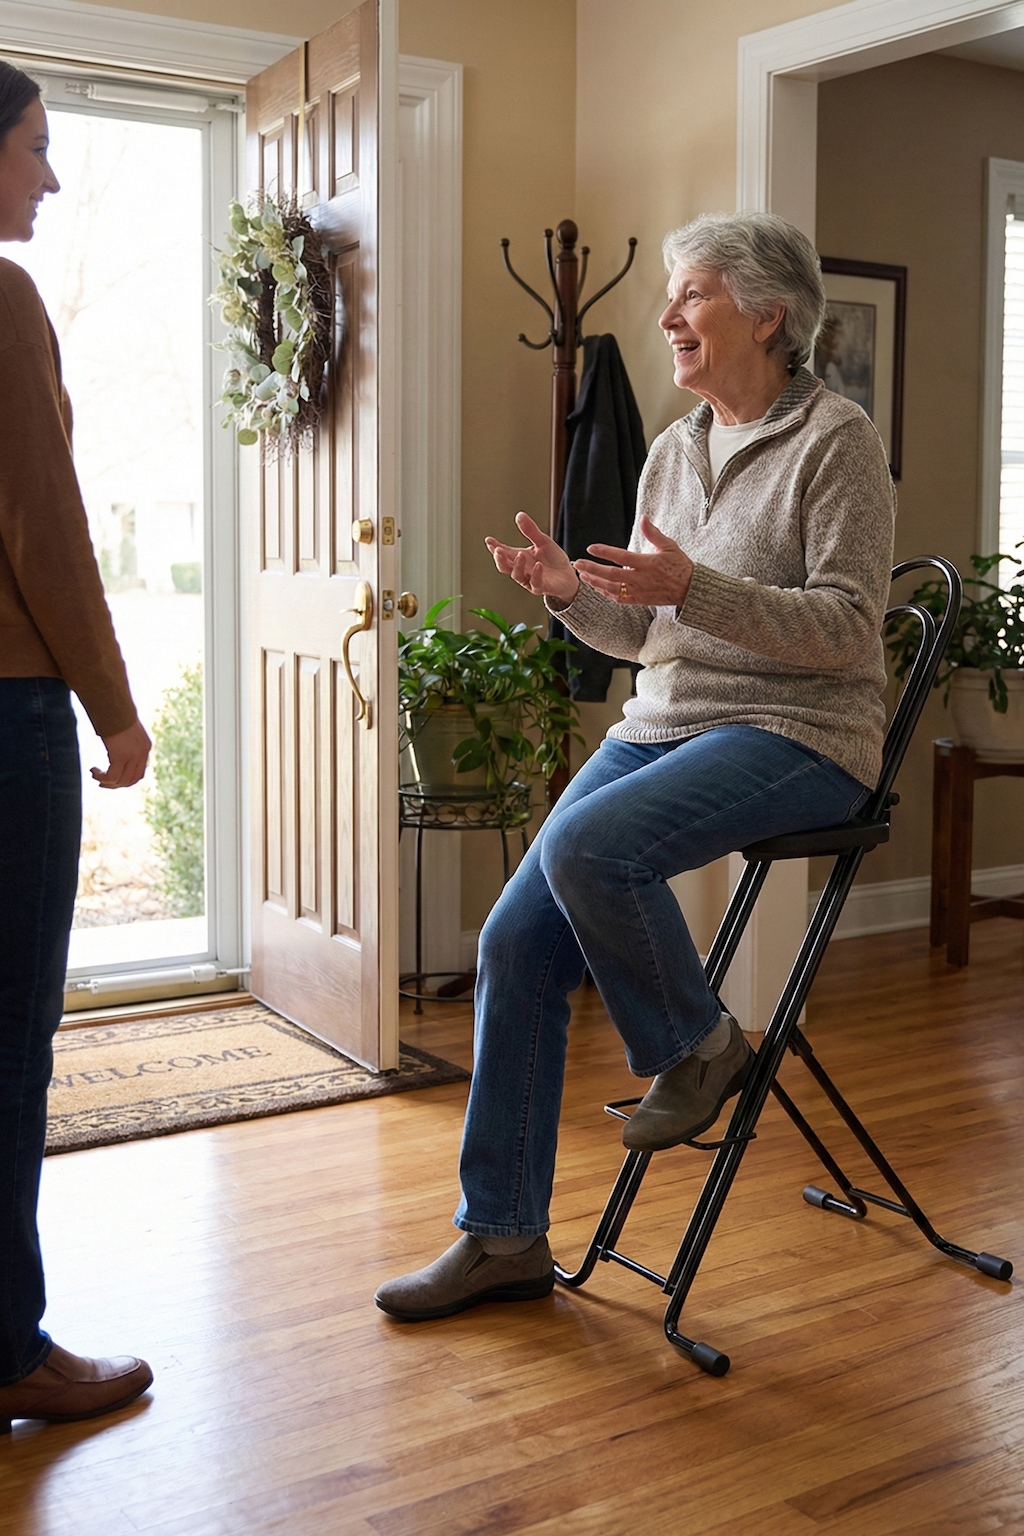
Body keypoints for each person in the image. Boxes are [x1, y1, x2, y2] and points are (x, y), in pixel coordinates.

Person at [375, 211, 896, 1322]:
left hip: (801, 733)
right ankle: (503, 1235)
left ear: (767, 313)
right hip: (666, 721)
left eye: (691, 293)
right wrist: (575, 595)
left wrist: (690, 592)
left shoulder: (835, 440)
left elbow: (850, 629)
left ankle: (698, 1044)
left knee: (586, 844)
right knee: (513, 942)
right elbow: (648, 635)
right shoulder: (673, 444)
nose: (665, 316)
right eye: (669, 295)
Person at [0, 61, 154, 1431]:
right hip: (2, 713)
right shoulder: (1, 297)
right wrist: (113, 704)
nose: (50, 176)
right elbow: (43, 533)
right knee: (7, 1038)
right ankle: (5, 1349)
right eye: (37, 149)